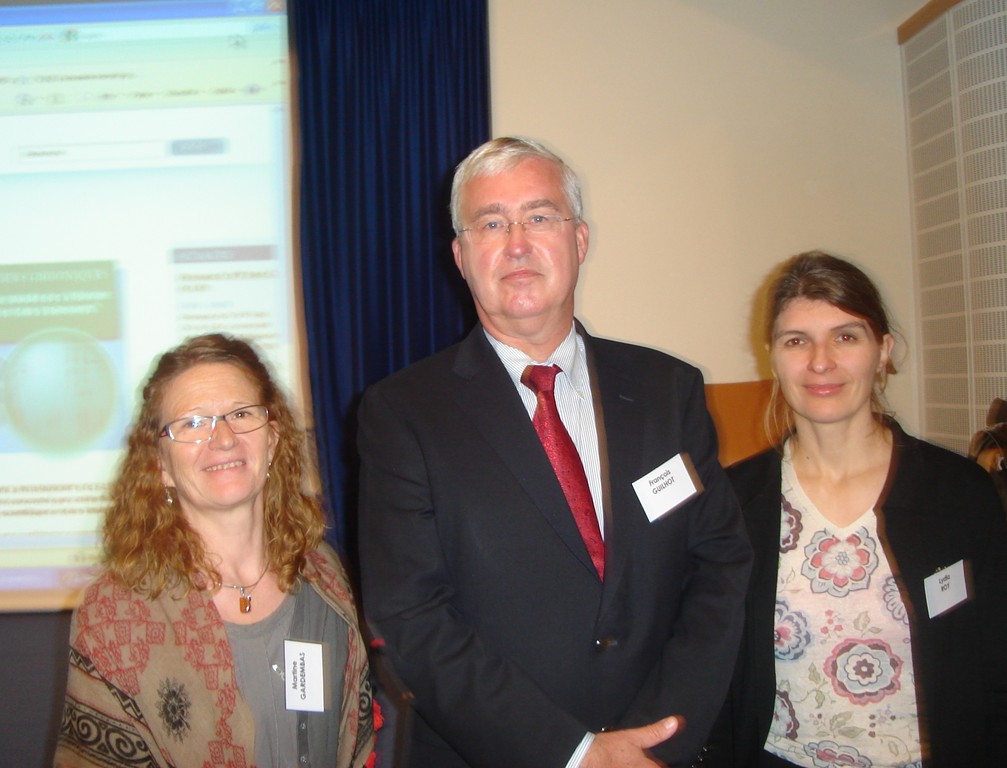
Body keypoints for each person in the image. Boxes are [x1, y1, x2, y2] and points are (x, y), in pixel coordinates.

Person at [356, 136, 752, 768]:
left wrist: (660, 734)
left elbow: (720, 568)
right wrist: (574, 753)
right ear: (461, 256)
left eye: (539, 217)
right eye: (491, 224)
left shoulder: (667, 390)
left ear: (580, 241)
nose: (516, 243)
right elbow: (412, 618)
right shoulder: (401, 414)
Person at [707, 252, 1007, 767]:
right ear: (772, 357)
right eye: (796, 341)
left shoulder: (959, 494)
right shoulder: (735, 502)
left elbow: (996, 663)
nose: (820, 361)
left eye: (846, 337)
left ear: (883, 350)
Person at [54, 333, 375, 768]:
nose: (223, 438)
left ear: (273, 441)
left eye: (241, 414)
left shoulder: (324, 576)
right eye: (193, 423)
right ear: (160, 465)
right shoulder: (115, 613)